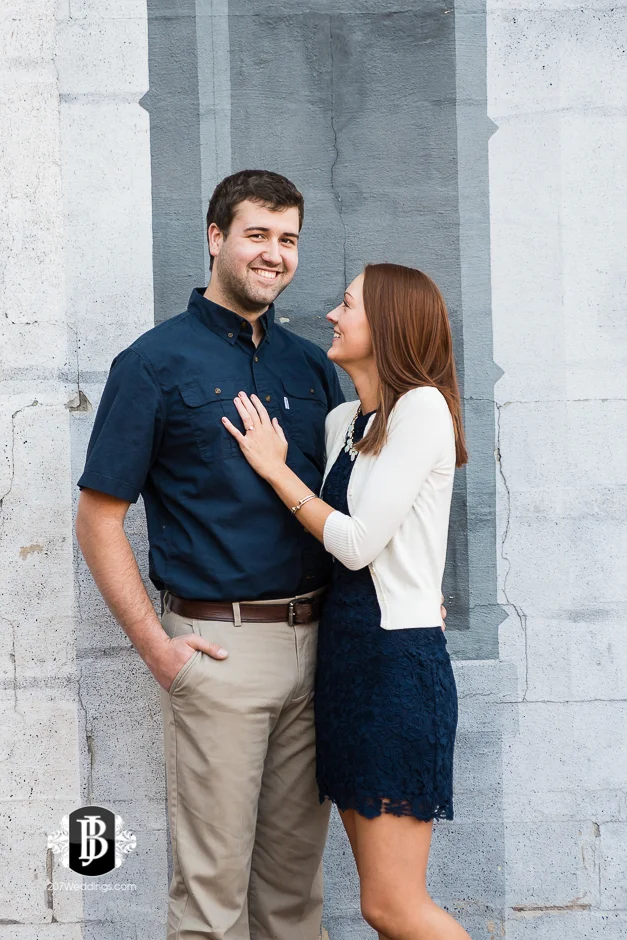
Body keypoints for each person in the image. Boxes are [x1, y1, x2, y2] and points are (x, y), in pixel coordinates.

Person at [75, 170, 346, 940]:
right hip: (220, 650)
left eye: (288, 239)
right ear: (215, 236)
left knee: (295, 899)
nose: (273, 254)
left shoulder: (310, 367)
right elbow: (98, 519)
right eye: (257, 234)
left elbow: (345, 505)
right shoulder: (153, 363)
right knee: (210, 902)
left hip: (319, 648)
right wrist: (157, 648)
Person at [222, 262, 471, 940]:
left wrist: (275, 470)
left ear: (386, 324)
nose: (331, 315)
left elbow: (357, 545)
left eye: (347, 304)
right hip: (345, 665)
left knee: (391, 906)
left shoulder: (422, 407)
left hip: (396, 671)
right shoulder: (343, 421)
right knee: (382, 909)